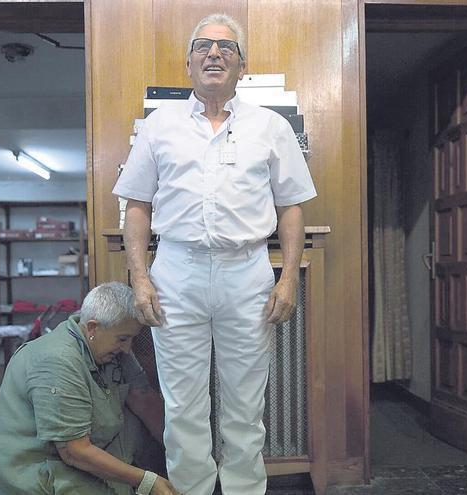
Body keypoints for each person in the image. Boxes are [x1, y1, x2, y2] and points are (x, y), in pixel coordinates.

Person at [112, 13, 317, 495]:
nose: (214, 54)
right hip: (176, 272)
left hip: (246, 272)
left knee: (246, 404)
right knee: (183, 405)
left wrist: (288, 278)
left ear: (242, 65)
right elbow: (137, 207)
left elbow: (290, 208)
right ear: (189, 62)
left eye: (226, 48)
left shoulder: (271, 127)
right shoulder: (159, 126)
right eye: (203, 46)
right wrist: (140, 278)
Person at [0, 282, 179, 495]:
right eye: (123, 339)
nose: (127, 348)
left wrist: (183, 451)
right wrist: (146, 481)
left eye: (131, 338)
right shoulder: (57, 360)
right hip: (41, 471)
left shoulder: (111, 347)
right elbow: (74, 451)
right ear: (93, 328)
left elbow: (144, 399)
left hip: (86, 455)